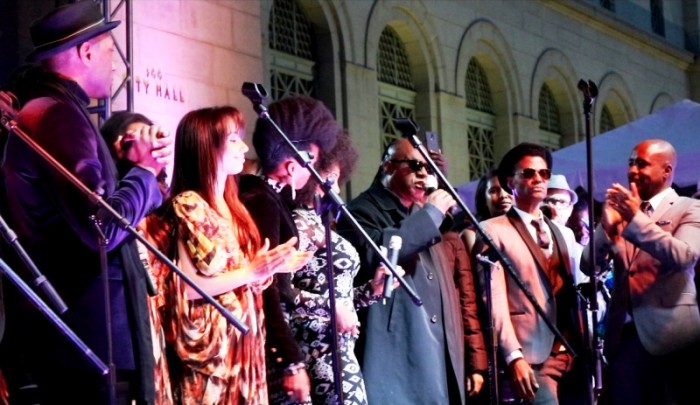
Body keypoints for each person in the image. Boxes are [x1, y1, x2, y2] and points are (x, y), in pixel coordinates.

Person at [0, 2, 173, 403]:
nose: (116, 63)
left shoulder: (54, 112)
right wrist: (143, 173)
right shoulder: (57, 115)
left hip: (82, 339)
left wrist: (134, 170)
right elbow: (102, 227)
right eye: (110, 49)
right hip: (87, 341)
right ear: (87, 52)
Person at [151, 106, 312, 403]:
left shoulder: (234, 205)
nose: (244, 147)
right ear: (206, 145)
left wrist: (272, 267)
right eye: (233, 139)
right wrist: (252, 271)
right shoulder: (190, 203)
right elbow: (189, 286)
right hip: (213, 356)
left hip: (244, 346)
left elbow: (238, 275)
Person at [337, 138, 466, 404]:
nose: (423, 174)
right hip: (398, 349)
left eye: (428, 168)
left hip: (436, 346)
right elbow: (378, 253)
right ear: (387, 167)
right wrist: (430, 215)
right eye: (416, 165)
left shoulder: (420, 211)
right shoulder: (361, 210)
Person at [582, 139, 700, 405]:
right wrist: (605, 229)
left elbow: (684, 256)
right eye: (630, 163)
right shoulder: (622, 212)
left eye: (642, 164)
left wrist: (635, 219)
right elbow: (588, 265)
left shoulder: (689, 208)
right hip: (623, 338)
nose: (633, 170)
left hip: (672, 338)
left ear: (666, 171)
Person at [238, 95, 340, 404]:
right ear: (292, 166)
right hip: (268, 342)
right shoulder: (263, 201)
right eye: (313, 162)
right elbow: (265, 288)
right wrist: (290, 360)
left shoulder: (268, 198)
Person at [290, 131, 400, 404]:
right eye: (331, 179)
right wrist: (331, 307)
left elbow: (336, 294)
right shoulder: (298, 223)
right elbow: (282, 292)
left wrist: (370, 291)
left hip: (338, 348)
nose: (337, 190)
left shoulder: (318, 222)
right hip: (315, 351)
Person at [472, 142, 585, 404]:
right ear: (510, 181)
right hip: (529, 354)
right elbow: (494, 301)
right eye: (529, 173)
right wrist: (514, 356)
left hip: (569, 352)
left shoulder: (561, 232)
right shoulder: (492, 229)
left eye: (543, 174)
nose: (538, 179)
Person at [100, 111, 173, 405]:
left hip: (162, 330)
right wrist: (140, 168)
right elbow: (109, 227)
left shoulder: (163, 204)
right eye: (131, 138)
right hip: (124, 336)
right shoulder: (111, 196)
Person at [462, 167, 513, 252]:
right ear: (484, 199)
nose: (503, 195)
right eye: (493, 191)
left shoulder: (529, 228)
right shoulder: (472, 234)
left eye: (507, 188)